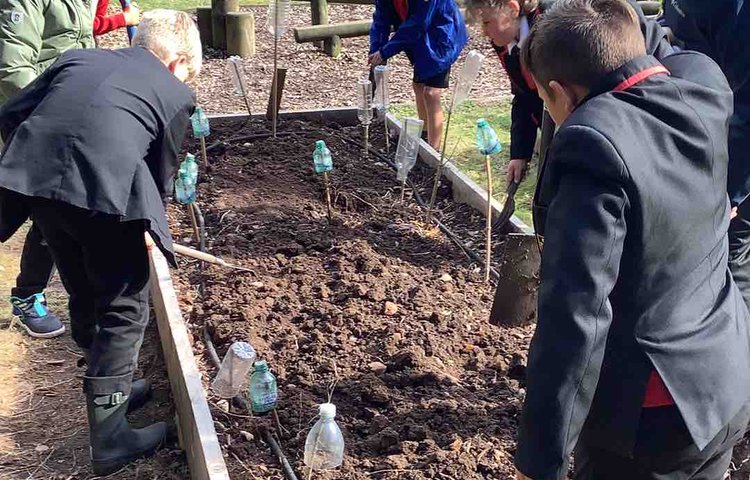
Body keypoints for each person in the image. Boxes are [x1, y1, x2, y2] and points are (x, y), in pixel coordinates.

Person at [513, 0, 750, 479]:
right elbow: (652, 42)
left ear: (559, 92)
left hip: (651, 419)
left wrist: (541, 463)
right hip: (722, 385)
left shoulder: (592, 148)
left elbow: (575, 318)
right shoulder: (701, 85)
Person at [0, 9, 200, 474]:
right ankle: (110, 439)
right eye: (189, 72)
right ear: (177, 63)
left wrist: (36, 162)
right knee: (124, 304)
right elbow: (161, 173)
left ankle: (108, 385)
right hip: (98, 196)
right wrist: (148, 224)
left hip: (35, 187)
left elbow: (11, 112)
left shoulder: (77, 59)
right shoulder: (174, 93)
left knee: (83, 286)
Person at [463, 0, 672, 188]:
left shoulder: (558, 27)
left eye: (487, 22)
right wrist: (520, 153)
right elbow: (523, 95)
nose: (483, 32)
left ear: (511, 8)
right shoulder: (506, 44)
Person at [0, 0, 96, 338]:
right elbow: (12, 69)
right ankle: (27, 296)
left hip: (63, 121)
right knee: (30, 211)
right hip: (34, 120)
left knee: (51, 211)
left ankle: (27, 295)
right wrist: (56, 114)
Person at [660, 2, 750, 314]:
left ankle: (739, 350)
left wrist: (729, 191)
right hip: (704, 140)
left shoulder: (739, 14)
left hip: (735, 162)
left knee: (731, 251)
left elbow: (746, 113)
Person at [368, 0, 468, 150]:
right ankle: (424, 135)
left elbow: (418, 23)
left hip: (442, 37)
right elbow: (381, 21)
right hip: (418, 41)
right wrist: (376, 49)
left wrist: (385, 51)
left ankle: (433, 152)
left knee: (431, 93)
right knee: (418, 86)